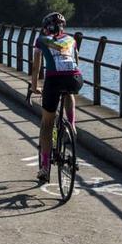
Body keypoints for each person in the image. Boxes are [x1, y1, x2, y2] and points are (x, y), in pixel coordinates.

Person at [27, 11, 84, 184]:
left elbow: (36, 67)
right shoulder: (72, 40)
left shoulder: (41, 40)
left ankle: (44, 168)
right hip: (75, 78)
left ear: (46, 28)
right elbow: (76, 62)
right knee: (68, 93)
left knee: (47, 124)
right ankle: (72, 124)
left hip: (53, 80)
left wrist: (35, 86)